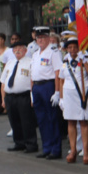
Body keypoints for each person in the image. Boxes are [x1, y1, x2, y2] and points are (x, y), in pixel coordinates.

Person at [59, 38, 88, 165]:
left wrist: (84, 60)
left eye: (75, 47)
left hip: (83, 95)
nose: (72, 50)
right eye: (70, 48)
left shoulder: (86, 59)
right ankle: (73, 150)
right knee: (71, 122)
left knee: (84, 122)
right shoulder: (65, 62)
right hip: (69, 95)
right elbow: (61, 80)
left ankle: (85, 151)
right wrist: (61, 98)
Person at [30, 27, 62, 159]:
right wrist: (32, 92)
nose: (40, 40)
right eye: (38, 38)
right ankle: (46, 147)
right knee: (42, 119)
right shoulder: (35, 53)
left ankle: (55, 149)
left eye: (43, 37)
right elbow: (32, 74)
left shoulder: (53, 52)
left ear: (49, 38)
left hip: (48, 86)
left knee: (52, 118)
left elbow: (58, 73)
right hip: (37, 87)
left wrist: (57, 91)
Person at [1, 41, 38, 154]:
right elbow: (3, 82)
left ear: (25, 50)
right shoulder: (10, 63)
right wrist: (3, 99)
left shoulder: (30, 62)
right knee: (14, 121)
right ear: (12, 51)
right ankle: (19, 143)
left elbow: (33, 82)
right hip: (10, 97)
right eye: (15, 48)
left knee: (27, 121)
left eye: (20, 48)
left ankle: (31, 144)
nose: (17, 50)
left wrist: (32, 98)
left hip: (24, 96)